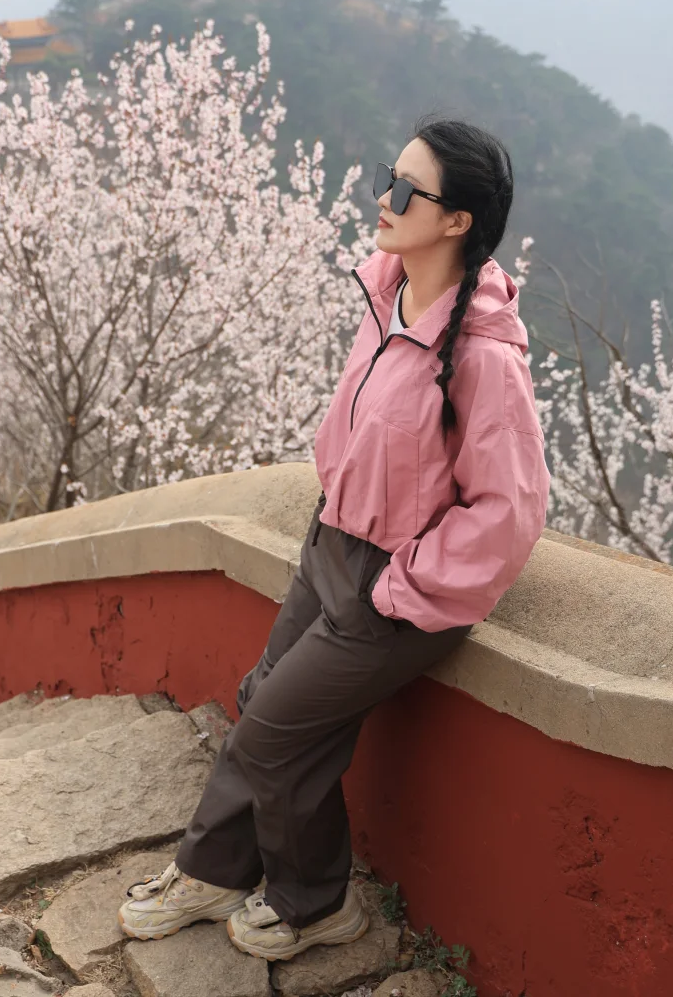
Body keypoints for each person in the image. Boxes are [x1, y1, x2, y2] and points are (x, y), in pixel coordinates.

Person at [117, 118, 551, 962]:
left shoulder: (484, 354)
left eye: (406, 189)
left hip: (396, 585)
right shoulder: (389, 292)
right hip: (332, 545)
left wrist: (403, 587)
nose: (383, 198)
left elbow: (510, 510)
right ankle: (213, 870)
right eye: (388, 176)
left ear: (456, 220)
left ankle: (316, 905)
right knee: (263, 701)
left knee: (272, 731)